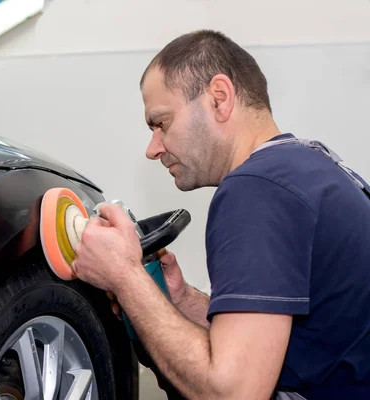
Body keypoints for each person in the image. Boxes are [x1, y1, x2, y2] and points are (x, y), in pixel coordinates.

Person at [71, 30, 370, 399]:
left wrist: (124, 275)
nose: (153, 149)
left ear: (219, 98)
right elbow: (282, 336)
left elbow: (233, 393)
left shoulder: (256, 189)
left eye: (161, 123)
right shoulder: (307, 164)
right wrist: (182, 301)